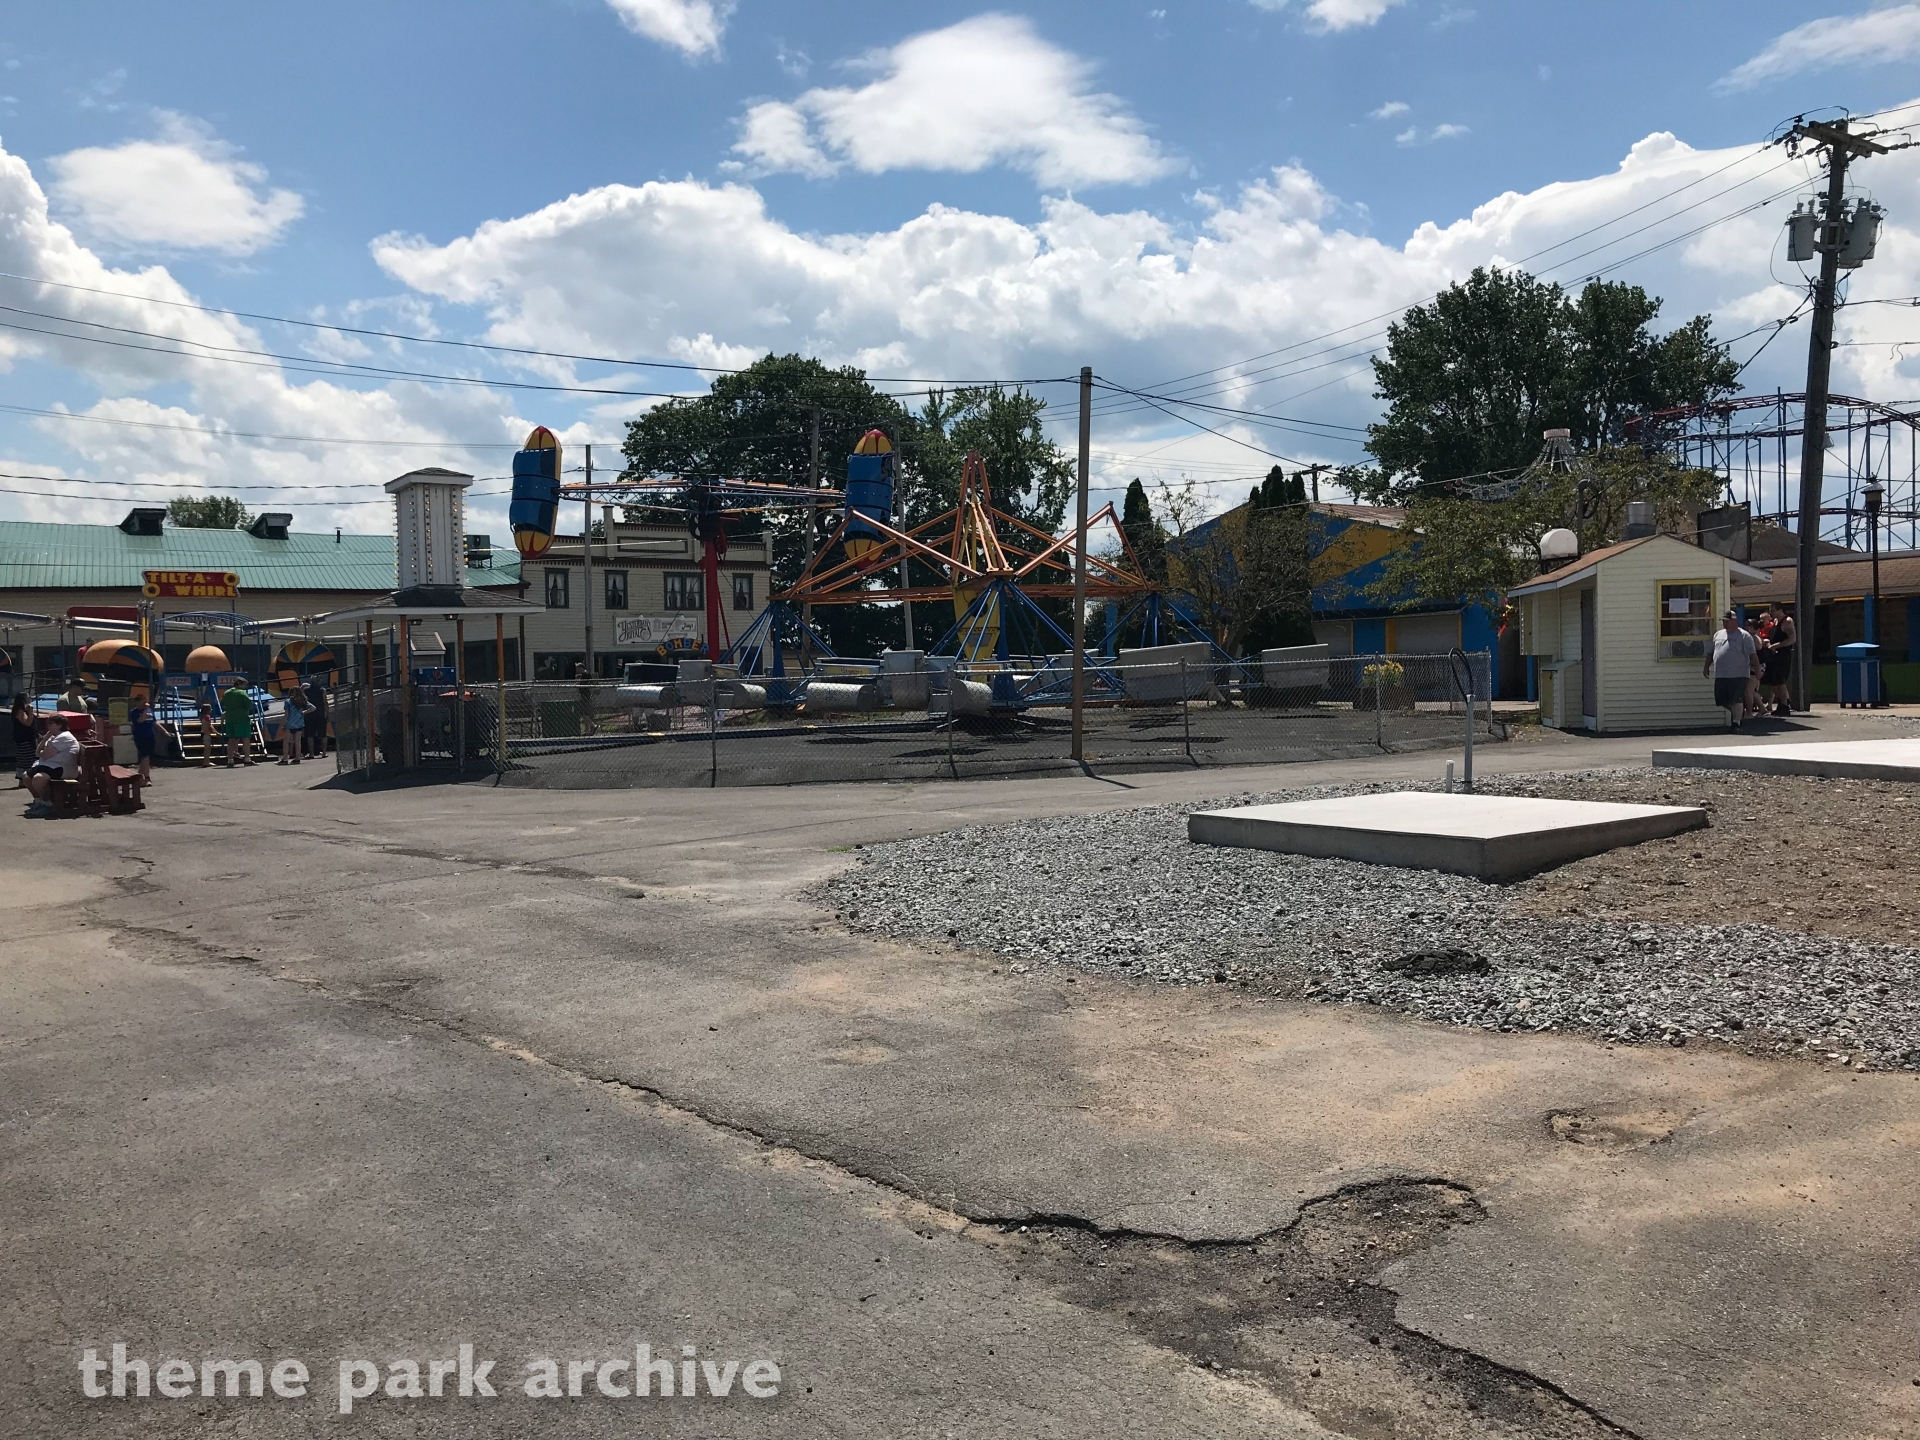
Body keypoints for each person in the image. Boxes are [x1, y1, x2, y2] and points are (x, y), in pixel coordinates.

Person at [1703, 610, 1759, 730]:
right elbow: (1710, 652)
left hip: (1739, 674)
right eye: (1724, 621)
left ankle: (1736, 722)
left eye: (1727, 621)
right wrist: (1706, 667)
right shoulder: (1718, 635)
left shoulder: (1744, 636)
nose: (1725, 623)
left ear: (1735, 621)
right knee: (1722, 700)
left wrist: (1757, 670)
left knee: (1736, 698)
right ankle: (1738, 713)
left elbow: (1753, 655)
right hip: (1721, 674)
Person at [23, 714, 81, 817]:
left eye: (50, 724)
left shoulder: (64, 737)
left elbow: (44, 755)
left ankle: (48, 804)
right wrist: (45, 739)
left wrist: (42, 751)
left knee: (38, 779)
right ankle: (40, 802)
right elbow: (38, 753)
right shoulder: (53, 737)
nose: (48, 726)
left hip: (63, 768)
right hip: (50, 766)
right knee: (26, 776)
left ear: (59, 725)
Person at [1761, 602, 1796, 716]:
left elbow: (1792, 638)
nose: (1771, 613)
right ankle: (1781, 703)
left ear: (1780, 610)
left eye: (1773, 610)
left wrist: (1778, 645)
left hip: (1783, 655)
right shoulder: (1775, 622)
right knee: (1773, 681)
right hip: (1773, 655)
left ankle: (1785, 705)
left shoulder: (1787, 621)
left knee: (1780, 681)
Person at [220, 679, 256, 767]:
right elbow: (248, 705)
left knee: (231, 740)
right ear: (240, 684)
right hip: (242, 719)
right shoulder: (242, 693)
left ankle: (230, 760)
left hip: (230, 719)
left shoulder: (226, 693)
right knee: (246, 739)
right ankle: (247, 759)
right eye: (244, 685)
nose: (245, 687)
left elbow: (223, 704)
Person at [127, 694, 158, 784]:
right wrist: (145, 711)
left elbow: (155, 722)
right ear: (138, 702)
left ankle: (138, 776)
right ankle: (147, 778)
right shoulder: (134, 712)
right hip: (140, 736)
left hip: (150, 736)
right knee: (145, 757)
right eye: (142, 702)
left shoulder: (150, 711)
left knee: (146, 758)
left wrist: (165, 732)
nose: (145, 704)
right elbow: (140, 720)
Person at [278, 684, 308, 764]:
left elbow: (286, 714)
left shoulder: (288, 701)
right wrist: (304, 712)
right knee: (298, 742)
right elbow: (313, 707)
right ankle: (297, 758)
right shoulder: (302, 701)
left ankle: (285, 759)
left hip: (290, 724)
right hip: (299, 723)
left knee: (286, 741)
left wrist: (283, 724)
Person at [11, 694, 37, 783]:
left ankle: (25, 780)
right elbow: (27, 723)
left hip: (27, 737)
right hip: (24, 738)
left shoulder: (24, 710)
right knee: (26, 759)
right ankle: (24, 779)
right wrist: (30, 712)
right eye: (28, 697)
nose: (30, 698)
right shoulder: (20, 710)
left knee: (27, 759)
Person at [302, 675, 329, 757]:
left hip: (309, 714)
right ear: (317, 681)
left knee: (310, 735)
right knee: (323, 734)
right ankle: (324, 752)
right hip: (320, 714)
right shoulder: (322, 690)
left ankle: (311, 754)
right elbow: (325, 702)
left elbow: (304, 702)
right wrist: (327, 714)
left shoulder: (306, 690)